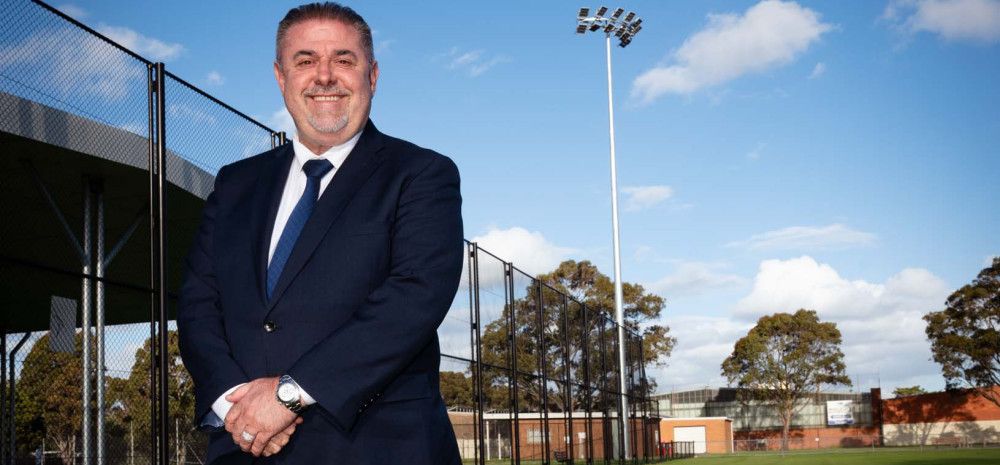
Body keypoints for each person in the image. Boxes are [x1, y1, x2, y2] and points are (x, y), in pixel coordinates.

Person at [177, 3, 464, 464]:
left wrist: (287, 396)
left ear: (372, 76)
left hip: (378, 449)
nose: (325, 76)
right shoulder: (235, 184)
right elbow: (198, 302)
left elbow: (414, 296)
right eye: (305, 60)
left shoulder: (421, 174)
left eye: (344, 60)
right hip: (243, 447)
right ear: (281, 77)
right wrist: (237, 408)